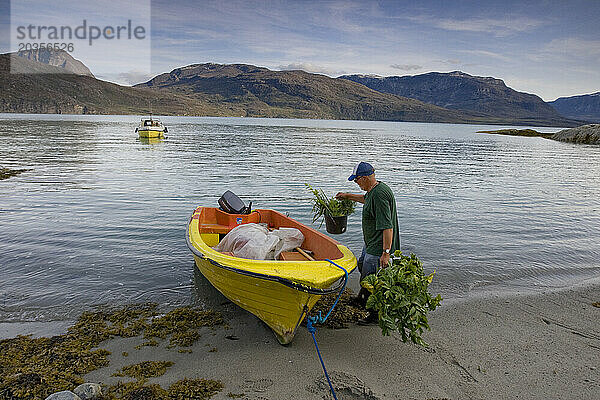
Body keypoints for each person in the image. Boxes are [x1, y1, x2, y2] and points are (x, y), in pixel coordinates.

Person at [336, 161, 400, 322]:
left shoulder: (380, 195)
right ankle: (362, 299)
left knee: (372, 278)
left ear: (364, 178)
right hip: (370, 242)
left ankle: (374, 315)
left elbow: (388, 227)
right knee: (362, 266)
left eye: (356, 180)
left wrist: (385, 253)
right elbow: (366, 199)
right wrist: (347, 196)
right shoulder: (374, 190)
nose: (356, 183)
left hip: (379, 246)